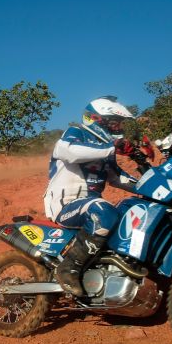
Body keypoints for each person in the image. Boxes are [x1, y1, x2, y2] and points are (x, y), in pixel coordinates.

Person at [44, 95, 140, 296]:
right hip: (66, 203)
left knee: (129, 210)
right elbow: (67, 151)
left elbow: (118, 177)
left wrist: (150, 186)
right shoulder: (76, 133)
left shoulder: (104, 150)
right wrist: (111, 147)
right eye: (115, 123)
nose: (118, 128)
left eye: (119, 124)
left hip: (88, 204)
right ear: (98, 120)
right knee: (105, 212)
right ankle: (68, 268)